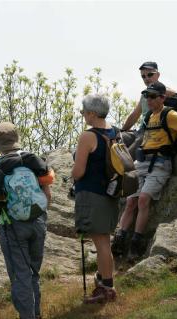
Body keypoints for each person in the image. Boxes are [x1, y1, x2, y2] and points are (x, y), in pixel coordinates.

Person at [112, 82, 177, 260]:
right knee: (131, 202)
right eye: (147, 96)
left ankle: (136, 243)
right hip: (142, 163)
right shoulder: (148, 116)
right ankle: (119, 239)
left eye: (153, 96)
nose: (149, 99)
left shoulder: (169, 115)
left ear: (163, 98)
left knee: (144, 199)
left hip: (161, 163)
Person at [0, 122, 54, 319]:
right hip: (38, 222)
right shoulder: (33, 160)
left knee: (20, 275)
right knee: (33, 273)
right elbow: (48, 194)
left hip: (13, 226)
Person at [72, 94, 118, 303]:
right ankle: (103, 281)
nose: (83, 115)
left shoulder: (88, 137)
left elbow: (79, 171)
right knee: (104, 240)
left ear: (91, 113)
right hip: (110, 193)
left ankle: (107, 288)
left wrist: (69, 175)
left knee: (101, 243)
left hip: (91, 194)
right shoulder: (114, 133)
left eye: (83, 112)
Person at [121, 61, 177, 132]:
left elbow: (174, 93)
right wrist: (122, 130)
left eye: (150, 74)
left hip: (156, 132)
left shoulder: (165, 92)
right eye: (143, 76)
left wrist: (159, 91)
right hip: (142, 131)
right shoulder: (144, 95)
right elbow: (135, 115)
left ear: (158, 75)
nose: (146, 78)